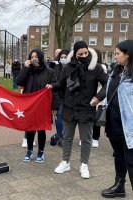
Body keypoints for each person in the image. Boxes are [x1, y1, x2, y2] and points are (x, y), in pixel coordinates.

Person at [47, 41, 108, 179]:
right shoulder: (68, 67)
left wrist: (98, 97)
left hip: (87, 108)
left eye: (85, 53)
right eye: (80, 54)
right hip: (69, 108)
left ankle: (84, 164)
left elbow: (107, 84)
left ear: (88, 51)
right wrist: (51, 86)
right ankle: (65, 162)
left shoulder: (96, 68)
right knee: (67, 137)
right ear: (75, 54)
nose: (83, 56)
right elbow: (61, 83)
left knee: (86, 139)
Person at [101, 40, 133, 198]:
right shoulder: (116, 71)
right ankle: (119, 185)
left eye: (117, 54)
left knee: (131, 160)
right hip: (113, 122)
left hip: (129, 127)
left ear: (128, 55)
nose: (115, 57)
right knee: (118, 155)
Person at [16, 48, 59, 163]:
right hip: (29, 105)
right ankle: (29, 150)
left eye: (36, 56)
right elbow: (19, 82)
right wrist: (25, 68)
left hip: (43, 106)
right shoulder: (28, 70)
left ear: (40, 57)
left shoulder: (50, 72)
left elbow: (54, 90)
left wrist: (55, 107)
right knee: (30, 129)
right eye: (32, 56)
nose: (34, 58)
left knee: (41, 129)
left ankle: (41, 152)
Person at [48, 49, 70, 147]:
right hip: (59, 97)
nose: (63, 59)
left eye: (66, 57)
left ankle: (60, 136)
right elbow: (55, 85)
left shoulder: (72, 68)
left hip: (71, 97)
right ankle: (60, 137)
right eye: (62, 57)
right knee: (59, 116)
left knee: (69, 119)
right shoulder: (56, 68)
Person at [91, 49, 108, 148]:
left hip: (99, 95)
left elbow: (104, 82)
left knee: (96, 118)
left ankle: (95, 138)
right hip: (89, 95)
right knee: (87, 118)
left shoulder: (102, 67)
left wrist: (100, 96)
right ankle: (85, 137)